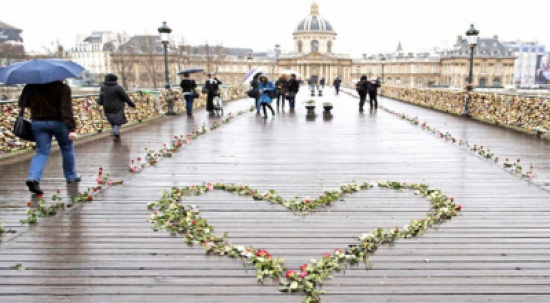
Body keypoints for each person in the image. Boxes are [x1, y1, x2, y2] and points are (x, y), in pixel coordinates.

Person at [18, 80, 79, 194]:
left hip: (38, 122)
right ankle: (71, 176)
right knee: (67, 148)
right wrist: (71, 128)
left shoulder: (31, 86)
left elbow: (23, 103)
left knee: (41, 151)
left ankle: (33, 178)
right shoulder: (63, 88)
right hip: (59, 123)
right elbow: (66, 109)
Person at [98, 73, 136, 142]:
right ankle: (114, 132)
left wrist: (100, 103)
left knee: (112, 121)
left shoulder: (103, 87)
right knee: (118, 121)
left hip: (107, 107)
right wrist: (132, 104)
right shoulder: (118, 87)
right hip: (117, 107)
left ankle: (116, 136)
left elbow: (100, 97)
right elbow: (125, 97)